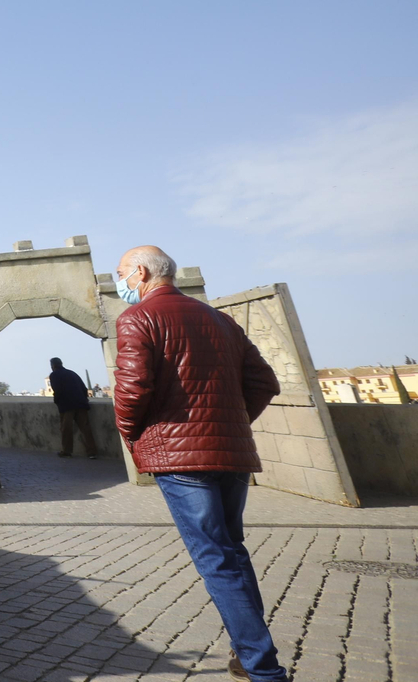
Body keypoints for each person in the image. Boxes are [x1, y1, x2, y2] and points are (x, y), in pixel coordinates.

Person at [113, 245, 285, 682]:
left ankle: (264, 669)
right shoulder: (220, 319)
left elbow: (133, 388)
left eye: (121, 273)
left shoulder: (138, 318)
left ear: (141, 271)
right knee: (232, 552)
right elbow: (265, 381)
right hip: (231, 453)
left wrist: (132, 437)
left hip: (180, 458)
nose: (120, 283)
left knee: (216, 558)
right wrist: (228, 422)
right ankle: (247, 658)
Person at [48, 357, 99, 458]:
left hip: (67, 405)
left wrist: (57, 401)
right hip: (81, 404)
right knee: (85, 429)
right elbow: (84, 389)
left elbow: (57, 390)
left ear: (52, 366)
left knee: (66, 429)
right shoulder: (72, 373)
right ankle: (92, 452)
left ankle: (67, 451)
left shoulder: (54, 375)